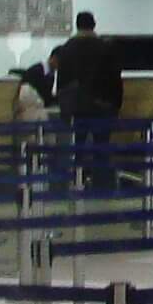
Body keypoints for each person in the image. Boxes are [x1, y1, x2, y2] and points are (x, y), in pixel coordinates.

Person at [52, 10, 124, 190]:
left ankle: (78, 180)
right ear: (94, 25)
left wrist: (64, 108)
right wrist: (116, 105)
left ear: (77, 25)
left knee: (79, 147)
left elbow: (62, 82)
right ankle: (101, 183)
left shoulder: (68, 48)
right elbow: (115, 79)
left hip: (78, 107)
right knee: (102, 146)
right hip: (102, 106)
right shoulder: (105, 47)